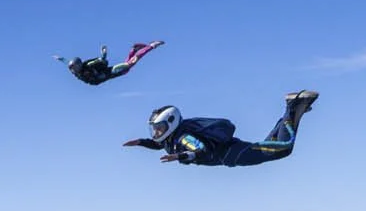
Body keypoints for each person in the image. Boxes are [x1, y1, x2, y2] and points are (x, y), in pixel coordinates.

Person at [127, 92, 316, 166]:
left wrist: (181, 156)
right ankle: (294, 110)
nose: (157, 133)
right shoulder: (171, 139)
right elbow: (159, 144)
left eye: (159, 128)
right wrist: (142, 143)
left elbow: (200, 150)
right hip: (233, 153)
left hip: (234, 154)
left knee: (283, 149)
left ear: (171, 122)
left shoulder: (183, 138)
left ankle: (292, 107)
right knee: (272, 145)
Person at [61, 42, 162, 86]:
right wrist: (61, 59)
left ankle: (151, 46)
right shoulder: (77, 74)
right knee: (126, 68)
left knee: (129, 65)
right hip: (110, 75)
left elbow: (101, 60)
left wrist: (104, 53)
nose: (72, 71)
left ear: (78, 65)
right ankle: (133, 49)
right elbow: (67, 62)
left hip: (110, 72)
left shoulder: (88, 65)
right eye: (71, 69)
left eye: (73, 68)